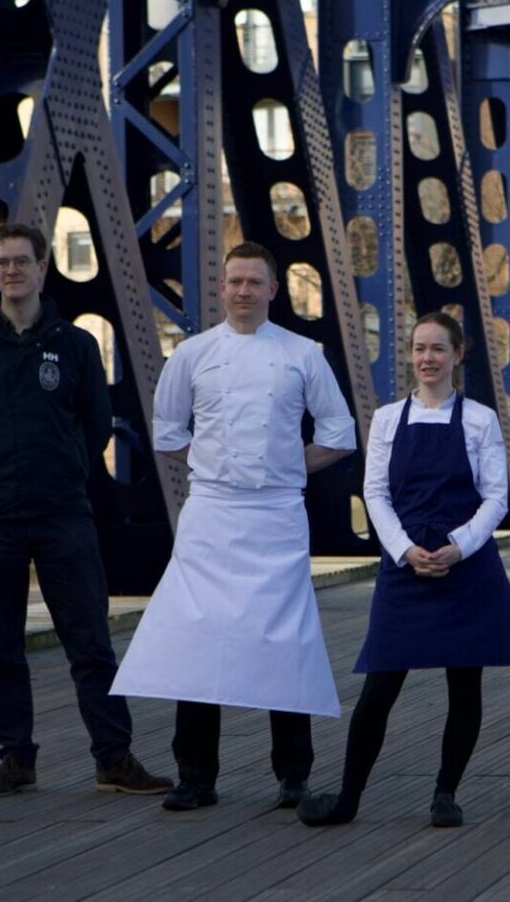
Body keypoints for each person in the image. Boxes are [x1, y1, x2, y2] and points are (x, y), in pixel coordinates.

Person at [112, 242, 357, 812]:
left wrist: (287, 467)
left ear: (274, 290)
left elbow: (340, 433)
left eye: (255, 282)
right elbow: (169, 434)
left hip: (276, 514)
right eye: (235, 281)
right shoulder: (191, 355)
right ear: (221, 288)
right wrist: (216, 467)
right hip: (212, 513)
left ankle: (293, 775)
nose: (243, 291)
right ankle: (195, 777)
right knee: (200, 642)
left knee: (285, 640)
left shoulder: (303, 354)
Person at [0, 222, 171, 800]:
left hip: (63, 512)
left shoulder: (75, 345)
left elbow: (94, 429)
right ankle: (16, 759)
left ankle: (113, 757)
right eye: (2, 262)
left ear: (43, 267)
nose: (11, 270)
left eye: (21, 261)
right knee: (3, 649)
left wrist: (60, 473)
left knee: (89, 642)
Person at [298, 313, 510, 829]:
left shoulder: (479, 419)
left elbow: (496, 497)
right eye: (419, 348)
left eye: (438, 349)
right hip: (405, 564)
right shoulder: (386, 419)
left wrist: (457, 547)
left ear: (458, 354)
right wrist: (406, 551)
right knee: (380, 685)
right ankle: (348, 797)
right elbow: (377, 494)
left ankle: (446, 793)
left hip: (464, 565)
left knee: (464, 685)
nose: (427, 358)